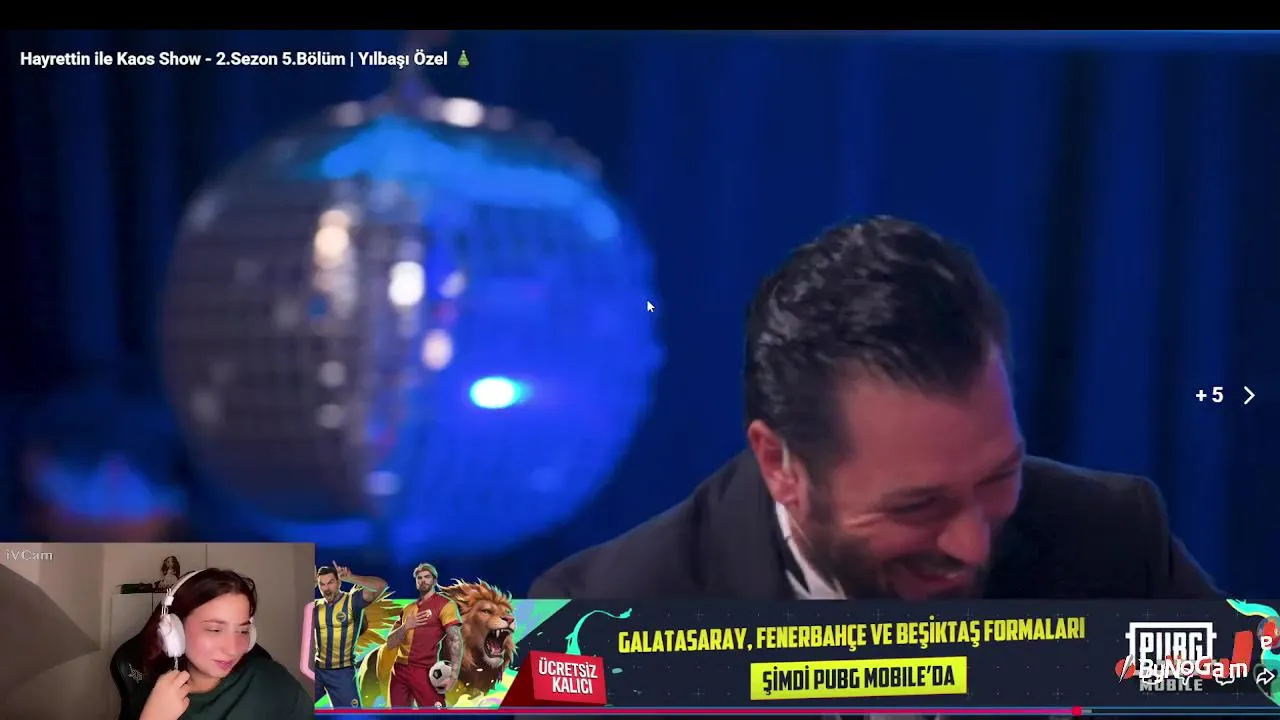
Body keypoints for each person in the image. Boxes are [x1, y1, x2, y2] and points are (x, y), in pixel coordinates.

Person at [529, 216, 1222, 602]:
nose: (974, 546)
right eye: (918, 505)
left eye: (998, 477)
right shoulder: (599, 624)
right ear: (781, 465)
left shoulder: (1117, 545)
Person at [125, 568, 312, 720]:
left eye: (243, 630)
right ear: (174, 630)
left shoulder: (272, 681)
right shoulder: (149, 700)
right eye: (214, 630)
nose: (232, 649)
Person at [305, 563, 387, 708]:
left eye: (331, 582)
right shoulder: (315, 606)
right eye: (322, 584)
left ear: (339, 583)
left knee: (351, 715)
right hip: (318, 671)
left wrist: (351, 577)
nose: (326, 588)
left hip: (342, 673)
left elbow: (381, 585)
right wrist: (310, 585)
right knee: (296, 706)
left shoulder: (352, 601)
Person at [385, 562, 462, 708]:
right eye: (419, 578)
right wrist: (406, 626)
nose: (423, 580)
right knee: (398, 716)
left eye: (427, 577)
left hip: (425, 671)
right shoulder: (407, 609)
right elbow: (390, 643)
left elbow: (455, 639)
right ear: (416, 582)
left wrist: (454, 674)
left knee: (435, 714)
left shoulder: (446, 605)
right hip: (399, 671)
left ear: (435, 580)